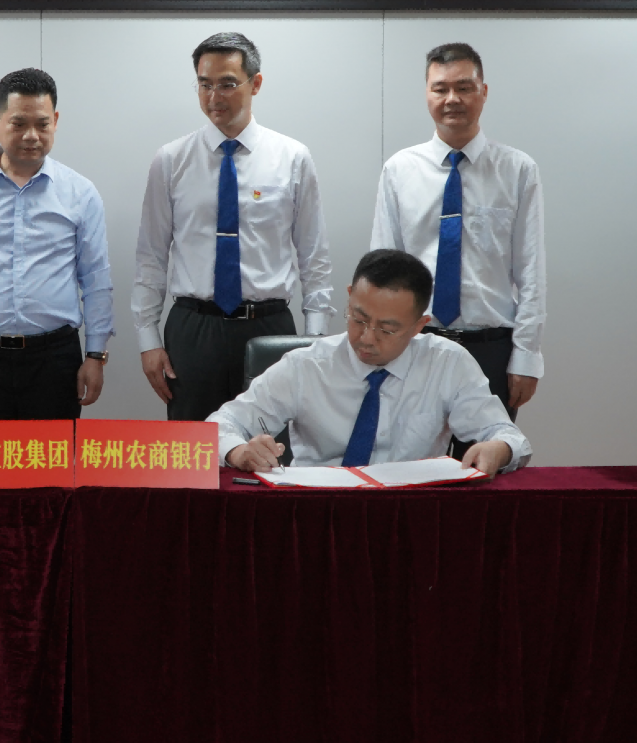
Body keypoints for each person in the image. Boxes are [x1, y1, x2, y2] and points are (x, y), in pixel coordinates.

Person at [133, 31, 333, 422]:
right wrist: (148, 339)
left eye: (227, 84)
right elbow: (151, 256)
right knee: (194, 449)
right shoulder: (171, 160)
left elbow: (314, 255)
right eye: (204, 85)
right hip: (194, 329)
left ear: (255, 84)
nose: (214, 97)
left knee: (268, 445)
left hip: (269, 327)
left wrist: (313, 338)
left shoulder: (292, 157)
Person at [213, 249, 529, 477]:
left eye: (387, 329)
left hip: (408, 511)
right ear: (350, 296)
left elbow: (507, 435)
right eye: (358, 318)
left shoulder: (447, 363)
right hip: (318, 508)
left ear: (419, 326)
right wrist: (238, 452)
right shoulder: (306, 366)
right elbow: (219, 425)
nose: (367, 337)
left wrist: (499, 449)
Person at [0, 68, 114, 420]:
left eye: (42, 124)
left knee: (54, 456)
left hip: (56, 359)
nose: (31, 136)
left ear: (56, 121)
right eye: (18, 123)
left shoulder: (80, 193)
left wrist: (95, 355)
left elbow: (96, 278)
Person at [371, 42, 545, 422]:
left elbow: (531, 272)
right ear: (427, 94)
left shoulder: (517, 170)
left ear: (484, 92)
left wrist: (526, 355)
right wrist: (382, 345)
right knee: (414, 458)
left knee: (486, 457)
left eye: (464, 87)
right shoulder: (399, 170)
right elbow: (383, 272)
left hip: (491, 349)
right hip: (417, 346)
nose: (452, 99)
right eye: (441, 89)